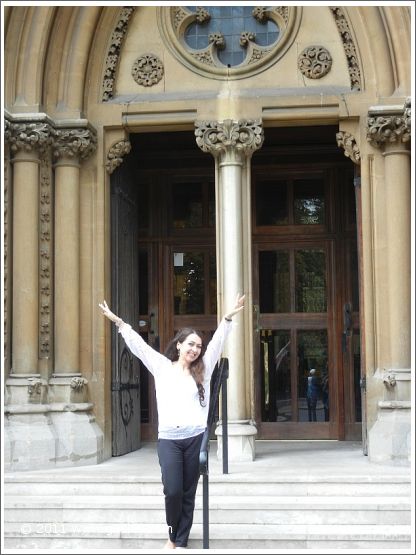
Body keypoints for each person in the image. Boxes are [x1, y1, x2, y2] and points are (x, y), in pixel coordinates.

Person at [99, 294, 245, 550]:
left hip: (194, 437)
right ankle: (172, 532)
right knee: (173, 491)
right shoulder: (162, 367)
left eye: (198, 346)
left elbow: (218, 342)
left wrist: (228, 317)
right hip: (169, 439)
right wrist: (120, 323)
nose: (195, 349)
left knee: (188, 494)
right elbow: (139, 347)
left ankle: (180, 540)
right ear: (178, 345)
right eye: (190, 344)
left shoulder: (204, 370)